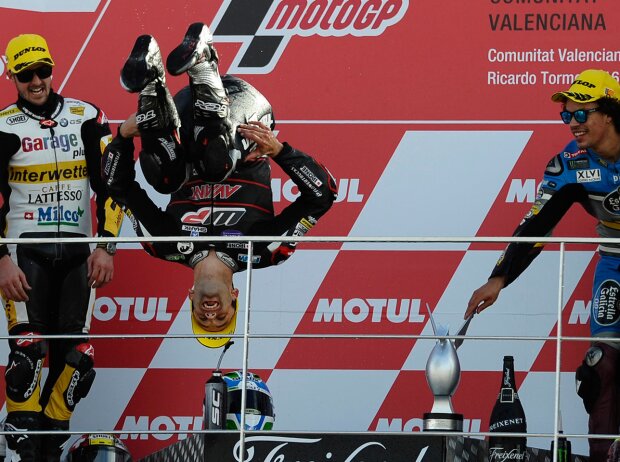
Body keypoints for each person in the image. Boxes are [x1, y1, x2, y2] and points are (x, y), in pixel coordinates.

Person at [102, 23, 337, 348]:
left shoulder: (163, 246)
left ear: (190, 301)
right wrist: (279, 151)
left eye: (203, 319)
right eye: (221, 319)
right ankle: (202, 62)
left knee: (163, 176)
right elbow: (322, 196)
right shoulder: (266, 251)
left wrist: (123, 137)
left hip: (186, 117)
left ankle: (151, 83)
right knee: (216, 163)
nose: (211, 315)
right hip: (246, 113)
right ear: (234, 298)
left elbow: (118, 187)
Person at [465, 69, 620, 462]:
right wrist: (498, 278)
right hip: (615, 262)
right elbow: (536, 224)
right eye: (566, 116)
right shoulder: (570, 164)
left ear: (609, 114)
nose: (572, 123)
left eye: (581, 114)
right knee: (600, 368)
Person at [0, 34, 124, 461]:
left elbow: (112, 184)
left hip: (78, 252)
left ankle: (51, 450)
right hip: (22, 254)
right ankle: (23, 449)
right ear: (12, 76)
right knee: (28, 354)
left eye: (42, 71)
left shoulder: (86, 116)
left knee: (77, 359)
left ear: (52, 68)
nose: (36, 81)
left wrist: (107, 246)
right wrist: (0, 259)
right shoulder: (2, 126)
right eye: (25, 74)